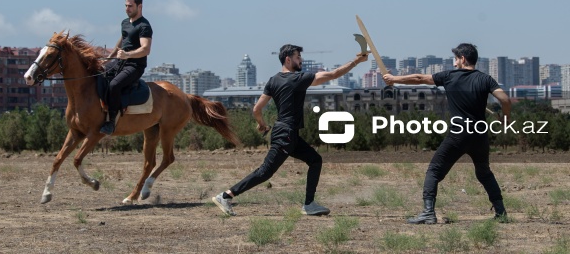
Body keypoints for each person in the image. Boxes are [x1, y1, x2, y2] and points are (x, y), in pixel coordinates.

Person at [212, 44, 367, 216]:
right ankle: (226, 195)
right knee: (265, 172)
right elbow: (333, 74)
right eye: (298, 57)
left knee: (315, 160)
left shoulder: (273, 80)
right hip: (285, 134)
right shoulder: (297, 78)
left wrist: (262, 124)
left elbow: (256, 109)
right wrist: (356, 61)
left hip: (288, 133)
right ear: (288, 59)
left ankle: (309, 204)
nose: (301, 60)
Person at [382, 43, 511, 224]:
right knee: (484, 173)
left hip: (459, 134)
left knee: (434, 171)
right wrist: (505, 119)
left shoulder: (449, 77)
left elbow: (419, 78)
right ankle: (501, 212)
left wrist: (394, 79)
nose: (454, 62)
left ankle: (428, 213)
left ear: (462, 58)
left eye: (456, 59)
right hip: (480, 135)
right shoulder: (485, 79)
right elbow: (505, 99)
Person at [100, 0, 153, 135]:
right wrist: (109, 57)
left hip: (135, 66)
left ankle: (111, 121)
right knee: (98, 73)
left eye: (130, 6)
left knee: (114, 85)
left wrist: (127, 55)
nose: (127, 9)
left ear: (139, 6)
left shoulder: (144, 26)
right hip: (120, 62)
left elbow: (146, 49)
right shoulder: (125, 22)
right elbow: (123, 39)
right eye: (126, 6)